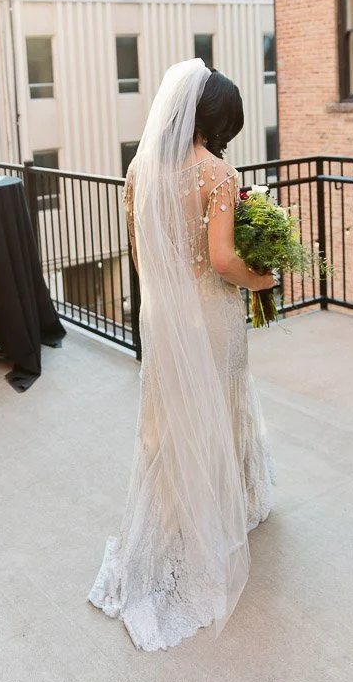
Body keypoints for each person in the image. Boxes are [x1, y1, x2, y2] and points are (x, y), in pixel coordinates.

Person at [88, 58, 276, 651]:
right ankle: (212, 522)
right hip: (209, 310)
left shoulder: (139, 169)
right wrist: (262, 281)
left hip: (162, 313)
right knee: (215, 404)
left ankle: (166, 526)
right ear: (214, 118)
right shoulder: (218, 175)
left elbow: (143, 257)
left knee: (167, 418)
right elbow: (223, 260)